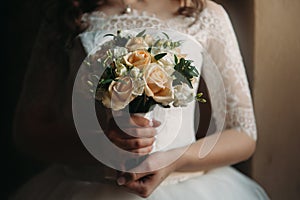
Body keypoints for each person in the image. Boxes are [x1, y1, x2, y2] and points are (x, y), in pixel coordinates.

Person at [13, 0, 269, 199]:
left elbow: (243, 132)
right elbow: (28, 129)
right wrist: (99, 144)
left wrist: (175, 159)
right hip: (83, 186)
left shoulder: (203, 14)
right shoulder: (69, 13)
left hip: (185, 187)